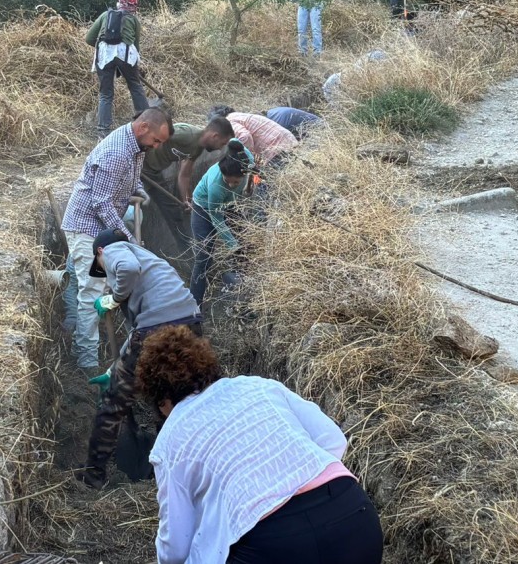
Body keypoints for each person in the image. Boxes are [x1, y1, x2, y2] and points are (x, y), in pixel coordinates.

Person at [137, 326, 383, 564]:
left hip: (272, 546)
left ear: (161, 400)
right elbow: (333, 439)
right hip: (355, 520)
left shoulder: (170, 440)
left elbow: (176, 547)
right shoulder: (258, 386)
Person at [76, 229, 203, 490]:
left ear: (99, 252)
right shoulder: (150, 258)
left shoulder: (113, 251)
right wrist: (115, 368)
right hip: (190, 322)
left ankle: (94, 476)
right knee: (176, 396)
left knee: (114, 402)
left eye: (100, 265)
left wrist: (115, 297)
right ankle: (177, 466)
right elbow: (138, 334)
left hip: (158, 329)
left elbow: (128, 268)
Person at [61, 108, 173, 372]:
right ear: (143, 127)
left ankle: (73, 328)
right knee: (92, 291)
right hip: (87, 227)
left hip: (101, 225)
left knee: (80, 281)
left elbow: (130, 182)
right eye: (156, 140)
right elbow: (101, 202)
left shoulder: (137, 147)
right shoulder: (117, 153)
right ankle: (86, 358)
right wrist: (129, 238)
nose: (157, 147)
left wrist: (141, 192)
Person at [189, 139, 255, 307]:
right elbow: (217, 219)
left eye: (236, 182)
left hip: (231, 204)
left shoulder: (246, 161)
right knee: (204, 256)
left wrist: (249, 185)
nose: (232, 184)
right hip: (204, 208)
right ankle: (194, 306)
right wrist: (232, 244)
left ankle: (241, 291)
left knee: (245, 243)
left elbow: (234, 142)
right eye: (228, 181)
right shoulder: (216, 186)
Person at [85, 0, 148, 140]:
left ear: (118, 4)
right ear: (133, 7)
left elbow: (88, 39)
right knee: (135, 86)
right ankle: (147, 121)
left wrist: (105, 47)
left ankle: (103, 131)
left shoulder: (104, 16)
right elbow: (136, 46)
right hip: (126, 54)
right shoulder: (133, 20)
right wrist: (131, 68)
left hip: (104, 55)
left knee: (106, 93)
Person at [198, 112, 298, 168]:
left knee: (265, 189)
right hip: (285, 143)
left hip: (278, 148)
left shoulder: (230, 124)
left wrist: (248, 160)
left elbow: (245, 136)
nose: (222, 148)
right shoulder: (236, 117)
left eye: (222, 144)